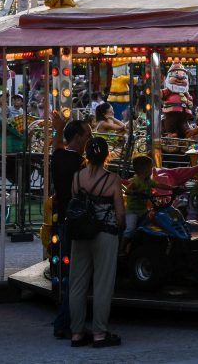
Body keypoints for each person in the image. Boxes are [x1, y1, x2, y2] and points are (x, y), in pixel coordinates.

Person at [69, 137, 125, 348]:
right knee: (102, 284)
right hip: (105, 233)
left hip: (80, 234)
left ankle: (76, 333)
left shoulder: (76, 177)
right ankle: (100, 333)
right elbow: (119, 213)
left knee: (77, 283)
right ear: (106, 156)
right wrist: (122, 228)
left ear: (87, 155)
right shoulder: (112, 179)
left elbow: (76, 204)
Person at [50, 119, 89, 340]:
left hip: (64, 219)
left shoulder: (59, 158)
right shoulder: (80, 166)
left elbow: (56, 147)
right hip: (77, 223)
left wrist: (57, 128)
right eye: (86, 135)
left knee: (70, 275)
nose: (88, 139)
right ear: (77, 137)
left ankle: (66, 320)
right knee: (77, 276)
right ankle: (66, 322)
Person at [124, 155, 154, 239]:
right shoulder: (135, 181)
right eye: (151, 168)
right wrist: (135, 192)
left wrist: (173, 188)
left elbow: (159, 185)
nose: (152, 170)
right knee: (130, 229)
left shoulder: (148, 181)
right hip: (133, 211)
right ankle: (121, 247)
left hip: (143, 210)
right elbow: (127, 190)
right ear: (145, 170)